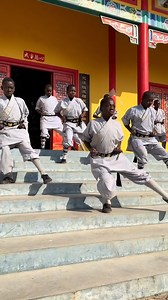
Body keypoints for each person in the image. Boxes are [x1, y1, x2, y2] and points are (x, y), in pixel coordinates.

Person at [82, 95, 168, 213]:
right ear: (101, 108)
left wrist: (118, 147)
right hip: (100, 160)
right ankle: (107, 202)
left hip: (117, 158)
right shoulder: (93, 123)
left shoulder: (116, 124)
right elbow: (86, 139)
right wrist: (91, 148)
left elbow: (120, 139)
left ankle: (165, 195)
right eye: (108, 105)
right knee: (107, 183)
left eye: (113, 106)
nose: (112, 108)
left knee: (141, 175)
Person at [0, 77, 52, 184]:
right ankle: (8, 175)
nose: (9, 90)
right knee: (4, 150)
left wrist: (24, 123)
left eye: (11, 88)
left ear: (14, 88)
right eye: (6, 88)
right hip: (5, 131)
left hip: (18, 130)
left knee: (29, 150)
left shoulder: (20, 101)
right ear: (2, 88)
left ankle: (44, 174)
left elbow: (25, 114)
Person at [122, 91, 168, 170]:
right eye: (148, 100)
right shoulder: (133, 110)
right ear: (142, 99)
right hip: (137, 138)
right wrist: (130, 130)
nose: (150, 102)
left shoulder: (152, 111)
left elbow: (152, 123)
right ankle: (140, 171)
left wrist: (153, 130)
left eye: (151, 100)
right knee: (143, 156)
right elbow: (125, 121)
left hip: (150, 138)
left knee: (165, 154)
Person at [55, 84, 88, 163]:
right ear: (67, 92)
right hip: (68, 123)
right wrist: (62, 116)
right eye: (71, 91)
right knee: (69, 140)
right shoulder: (63, 102)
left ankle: (90, 154)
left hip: (78, 124)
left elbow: (85, 109)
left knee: (85, 138)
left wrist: (82, 116)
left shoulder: (78, 101)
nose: (72, 92)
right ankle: (64, 157)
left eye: (74, 91)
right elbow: (56, 111)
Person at [35, 84, 63, 149]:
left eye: (50, 91)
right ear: (45, 90)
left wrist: (62, 117)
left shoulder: (54, 99)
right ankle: (43, 148)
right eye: (48, 91)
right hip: (45, 118)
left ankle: (67, 147)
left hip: (54, 118)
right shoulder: (41, 98)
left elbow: (57, 109)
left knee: (64, 132)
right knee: (44, 134)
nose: (49, 92)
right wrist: (41, 113)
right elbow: (37, 108)